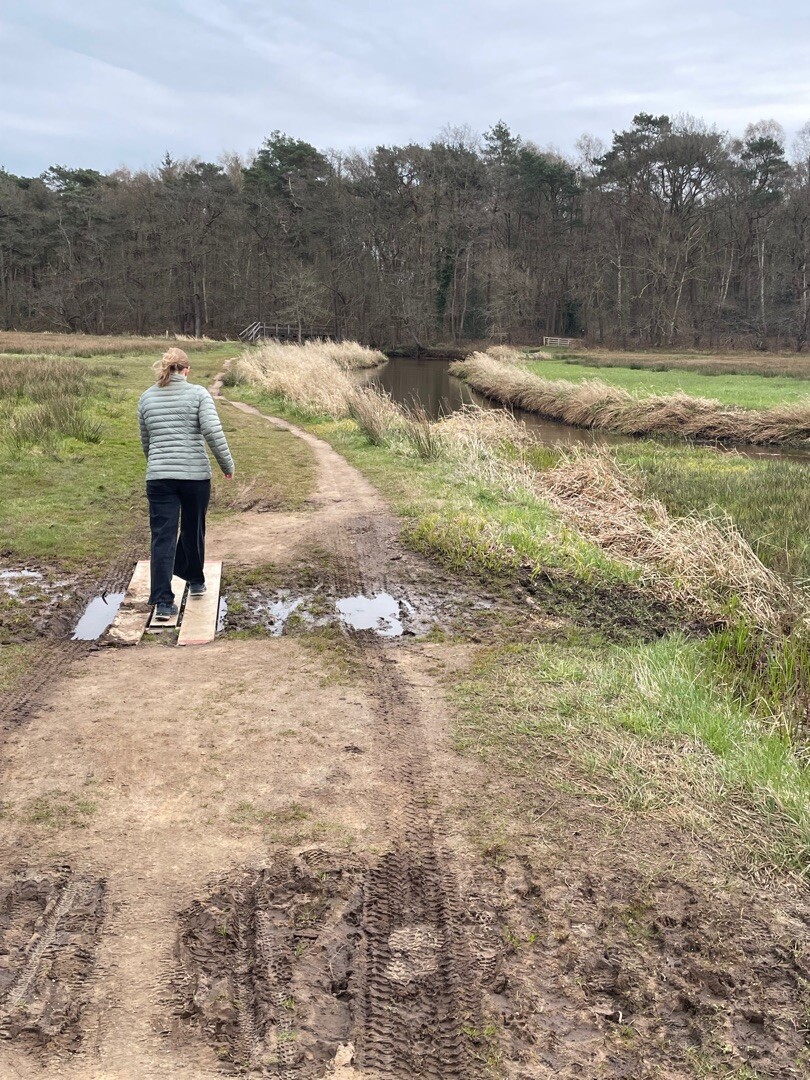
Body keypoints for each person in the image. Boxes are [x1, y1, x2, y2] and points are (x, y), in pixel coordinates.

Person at [137, 347, 235, 621]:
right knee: (193, 528)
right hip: (195, 477)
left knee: (162, 537)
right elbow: (212, 432)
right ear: (186, 370)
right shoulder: (199, 394)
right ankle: (196, 580)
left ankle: (163, 602)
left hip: (159, 477)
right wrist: (227, 466)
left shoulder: (146, 397)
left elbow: (146, 441)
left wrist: (158, 464)